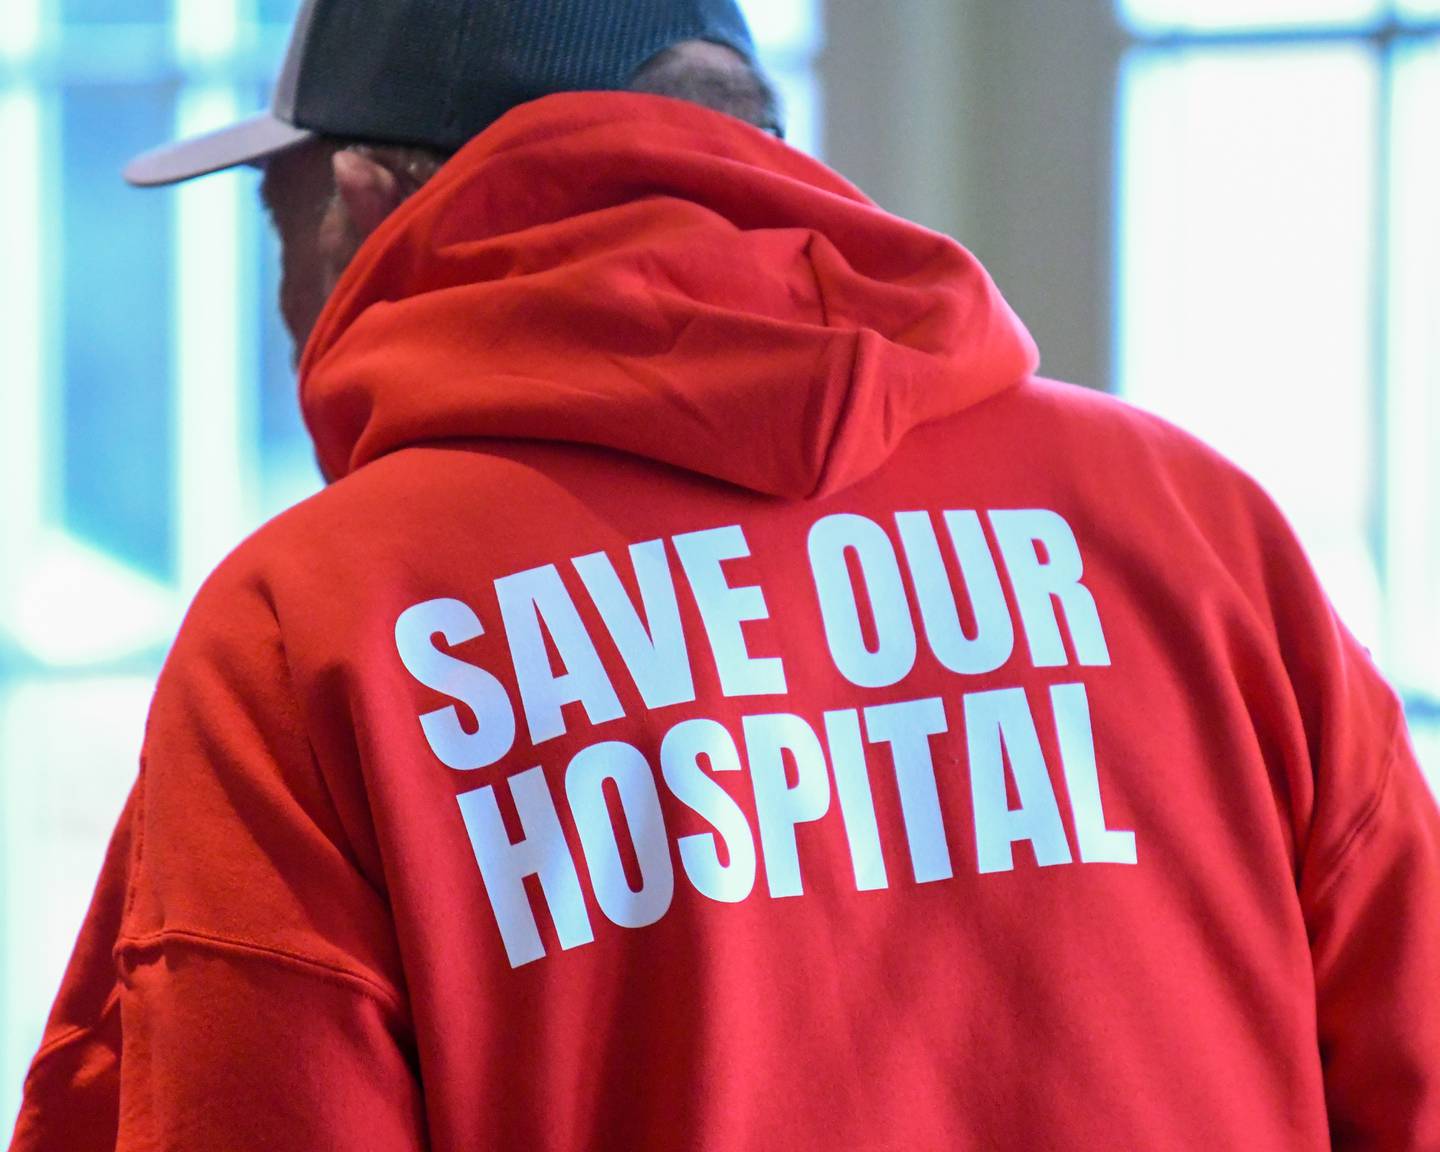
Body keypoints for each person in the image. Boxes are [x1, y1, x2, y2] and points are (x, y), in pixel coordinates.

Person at [10, 0, 1440, 1147]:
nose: (282, 304)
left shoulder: (313, 630)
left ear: (366, 200)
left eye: (281, 221)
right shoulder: (1196, 529)